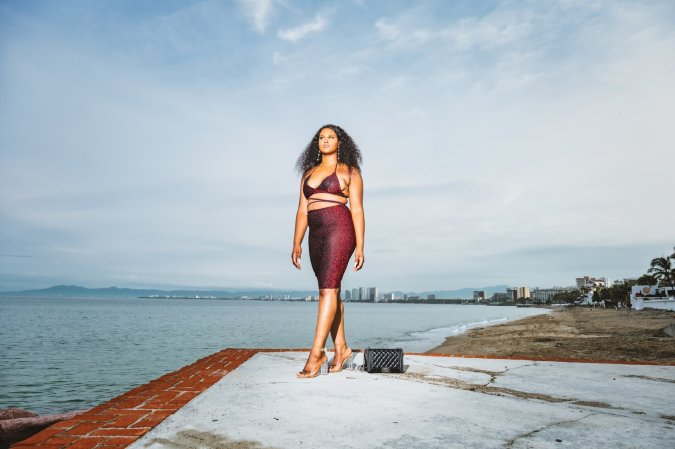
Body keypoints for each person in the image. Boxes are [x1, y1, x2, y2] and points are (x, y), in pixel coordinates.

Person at [291, 124, 365, 378]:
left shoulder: (349, 171)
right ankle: (342, 348)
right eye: (321, 137)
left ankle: (316, 353)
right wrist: (296, 242)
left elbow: (357, 210)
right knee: (331, 291)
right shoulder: (307, 173)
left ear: (340, 142)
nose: (325, 140)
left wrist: (361, 246)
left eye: (330, 137)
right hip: (316, 233)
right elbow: (302, 210)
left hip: (340, 229)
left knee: (327, 290)